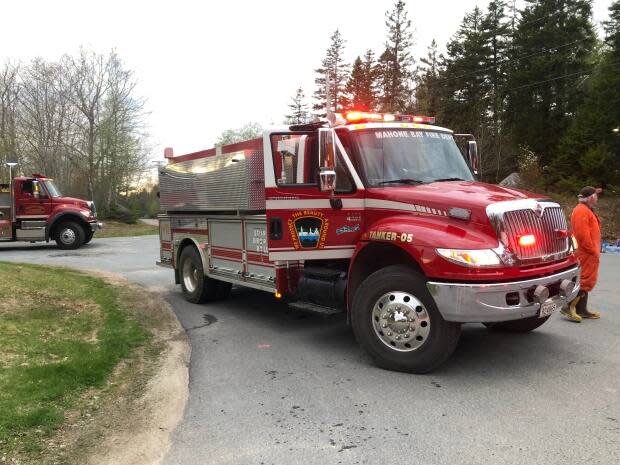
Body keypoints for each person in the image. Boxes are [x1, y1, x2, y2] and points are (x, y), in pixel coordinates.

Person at [561, 186, 602, 322]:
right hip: (586, 252)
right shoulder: (581, 211)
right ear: (591, 197)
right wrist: (592, 250)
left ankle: (581, 310)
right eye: (596, 196)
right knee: (583, 280)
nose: (597, 198)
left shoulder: (586, 210)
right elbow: (582, 235)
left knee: (587, 280)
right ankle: (568, 307)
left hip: (589, 252)